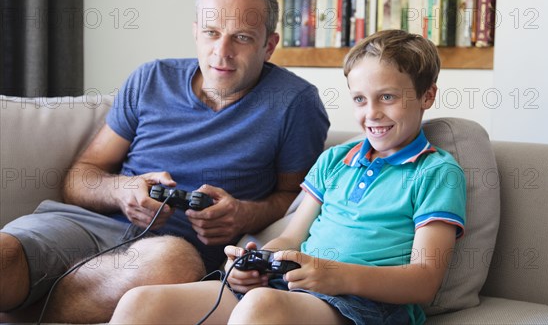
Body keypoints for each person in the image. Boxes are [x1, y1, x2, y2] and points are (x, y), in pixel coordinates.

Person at [0, 0, 329, 323]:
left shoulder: (295, 103)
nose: (222, 52)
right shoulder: (151, 78)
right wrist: (122, 190)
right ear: (195, 32)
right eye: (211, 33)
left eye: (242, 38)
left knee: (173, 262)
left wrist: (243, 214)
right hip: (83, 227)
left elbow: (297, 199)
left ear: (269, 45)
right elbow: (79, 178)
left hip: (168, 251)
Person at [108, 29, 467, 325]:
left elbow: (424, 281)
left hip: (366, 306)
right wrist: (255, 261)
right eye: (360, 99)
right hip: (292, 289)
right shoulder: (335, 161)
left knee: (260, 308)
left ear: (427, 95)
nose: (372, 113)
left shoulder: (436, 172)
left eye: (387, 97)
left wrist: (337, 275)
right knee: (140, 303)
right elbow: (291, 237)